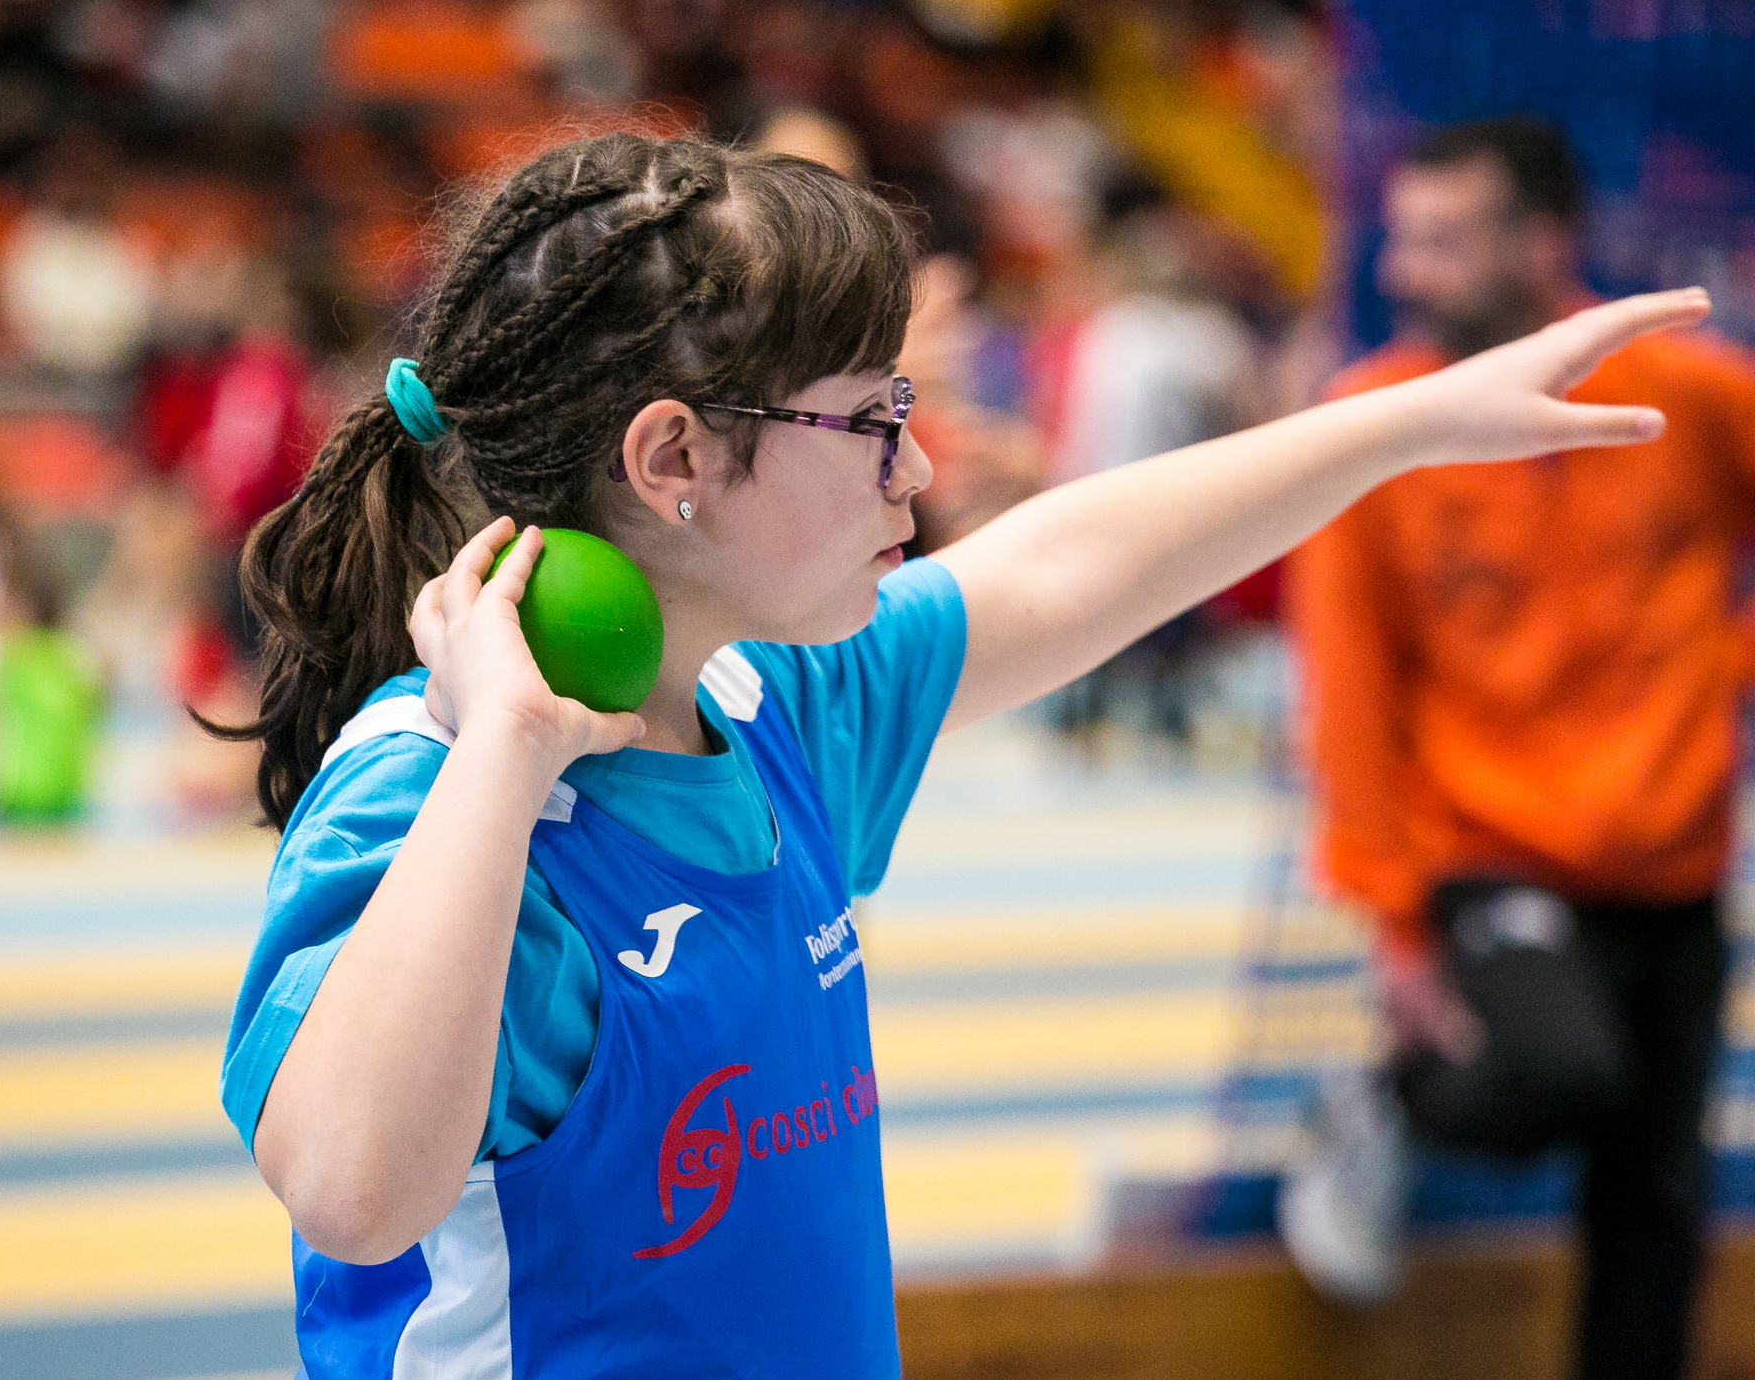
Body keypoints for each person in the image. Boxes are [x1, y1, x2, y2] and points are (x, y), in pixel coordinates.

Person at [215, 130, 1704, 1376]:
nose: (919, 470)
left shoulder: (770, 707)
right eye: (872, 419)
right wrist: (504, 760)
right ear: (673, 461)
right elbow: (352, 1190)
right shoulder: (429, 785)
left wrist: (1407, 426)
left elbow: (1065, 564)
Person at [1283, 118, 1755, 1380]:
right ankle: (1382, 1097)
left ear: (1542, 243)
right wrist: (1391, 917)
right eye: (1403, 237)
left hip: (1674, 865)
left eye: (1442, 241)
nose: (1402, 271)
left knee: (1654, 1204)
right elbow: (1348, 688)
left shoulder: (1686, 394)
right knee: (1560, 1075)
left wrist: (1723, 664)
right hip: (1489, 854)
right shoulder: (1372, 421)